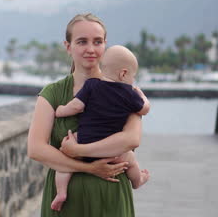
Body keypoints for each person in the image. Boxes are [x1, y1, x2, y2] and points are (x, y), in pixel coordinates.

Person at [27, 13, 144, 217]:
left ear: (105, 46)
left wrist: (78, 149)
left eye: (97, 42)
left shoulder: (125, 90)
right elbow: (36, 149)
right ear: (68, 46)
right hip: (66, 205)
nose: (90, 49)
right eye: (82, 41)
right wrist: (89, 168)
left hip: (111, 198)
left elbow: (131, 139)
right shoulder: (52, 94)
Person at [50, 45, 151, 212]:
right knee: (131, 160)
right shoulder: (129, 93)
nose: (133, 80)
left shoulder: (91, 85)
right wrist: (143, 97)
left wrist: (61, 110)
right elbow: (144, 110)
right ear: (123, 73)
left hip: (84, 141)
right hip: (113, 152)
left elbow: (76, 106)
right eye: (134, 76)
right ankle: (138, 180)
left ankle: (61, 192)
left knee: (64, 160)